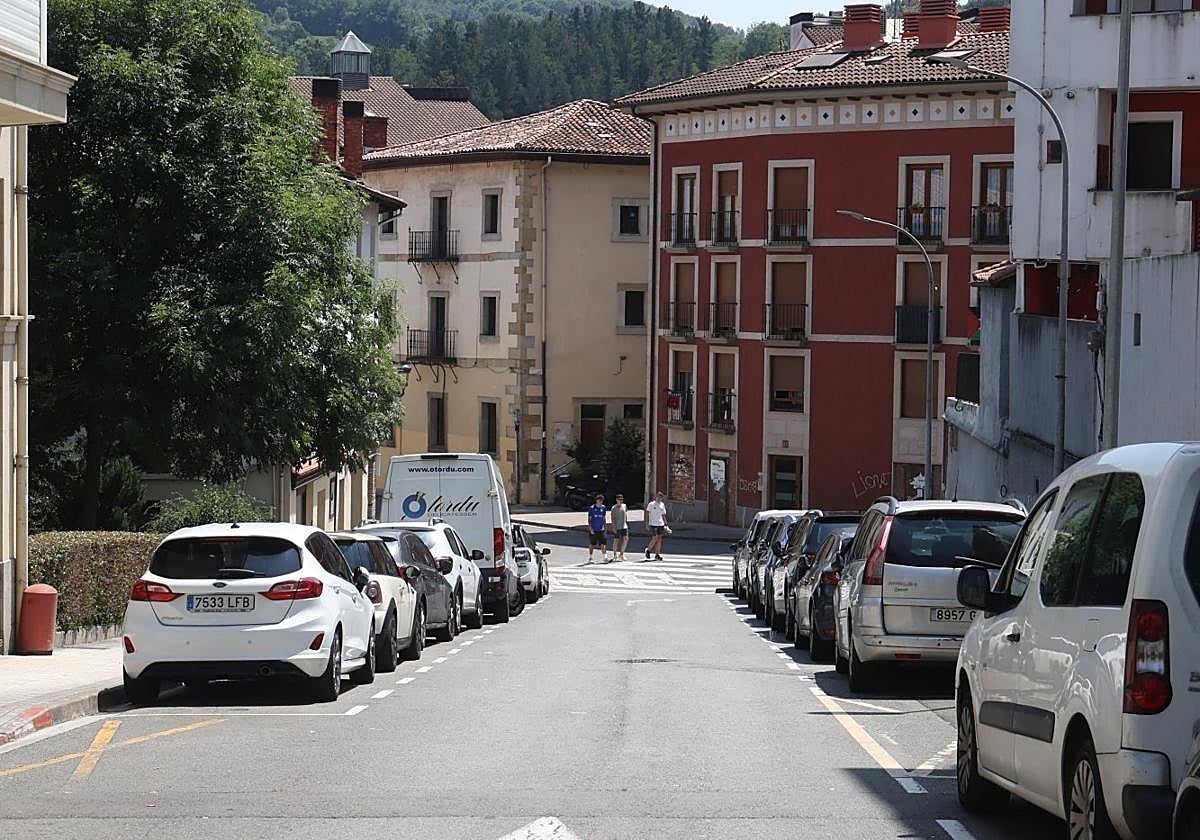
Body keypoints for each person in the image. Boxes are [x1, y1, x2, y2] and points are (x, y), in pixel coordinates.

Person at [645, 491, 668, 562]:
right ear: (656, 497)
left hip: (660, 524)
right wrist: (647, 523)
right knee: (654, 537)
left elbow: (663, 514)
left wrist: (666, 524)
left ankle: (657, 554)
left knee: (659, 539)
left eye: (660, 497)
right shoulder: (651, 504)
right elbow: (647, 513)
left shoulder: (662, 505)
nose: (659, 498)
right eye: (658, 497)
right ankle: (648, 550)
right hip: (653, 524)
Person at [586, 494, 608, 563]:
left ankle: (605, 557)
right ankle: (590, 557)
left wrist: (605, 527)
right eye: (599, 500)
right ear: (596, 501)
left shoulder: (603, 508)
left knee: (603, 544)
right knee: (592, 544)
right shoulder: (592, 508)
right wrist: (590, 528)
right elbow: (589, 519)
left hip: (601, 529)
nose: (600, 502)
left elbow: (604, 518)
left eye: (601, 501)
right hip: (594, 529)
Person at [609, 494, 629, 561]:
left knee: (626, 539)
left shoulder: (624, 506)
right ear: (616, 500)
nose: (621, 501)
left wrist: (626, 522)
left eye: (621, 499)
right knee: (616, 540)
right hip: (617, 526)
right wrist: (613, 527)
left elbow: (625, 515)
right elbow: (613, 518)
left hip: (624, 526)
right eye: (619, 499)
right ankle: (615, 555)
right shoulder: (614, 508)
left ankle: (622, 554)